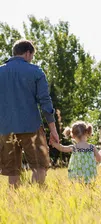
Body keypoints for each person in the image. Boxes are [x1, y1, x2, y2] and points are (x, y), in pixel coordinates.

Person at [0, 39, 59, 188]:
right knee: (40, 167)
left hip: (6, 129)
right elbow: (45, 102)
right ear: (27, 53)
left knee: (13, 172)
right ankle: (35, 197)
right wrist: (53, 130)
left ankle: (16, 205)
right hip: (31, 127)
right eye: (32, 56)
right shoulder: (36, 71)